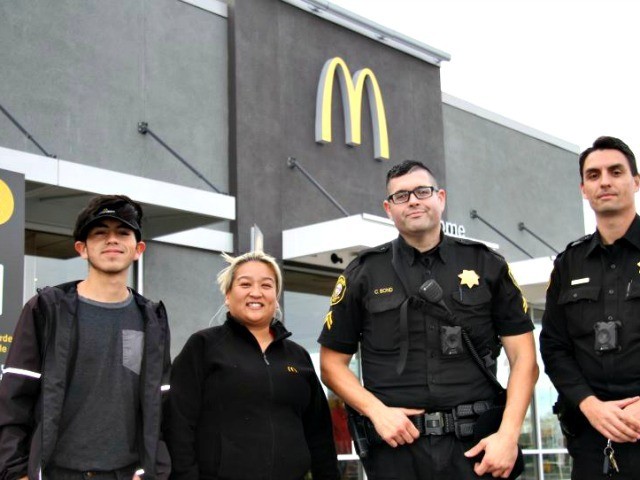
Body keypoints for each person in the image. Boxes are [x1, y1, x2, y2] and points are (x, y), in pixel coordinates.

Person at [318, 160, 538, 479]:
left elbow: (525, 360)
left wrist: (508, 436)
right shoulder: (363, 273)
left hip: (477, 449)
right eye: (401, 196)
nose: (413, 200)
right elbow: (331, 365)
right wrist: (376, 412)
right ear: (388, 208)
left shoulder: (487, 265)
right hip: (396, 451)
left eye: (423, 191)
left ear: (441, 198)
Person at [0, 194, 171, 480]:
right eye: (100, 233)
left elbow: (161, 403)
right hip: (57, 472)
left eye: (123, 232)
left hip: (125, 474)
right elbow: (13, 398)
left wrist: (153, 470)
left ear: (138, 248)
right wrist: (16, 473)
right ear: (82, 249)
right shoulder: (46, 309)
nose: (112, 240)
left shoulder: (151, 319)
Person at [165, 251, 339, 480]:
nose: (255, 292)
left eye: (266, 285)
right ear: (228, 295)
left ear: (276, 297)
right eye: (244, 284)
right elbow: (177, 423)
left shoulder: (298, 357)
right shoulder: (203, 347)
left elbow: (320, 435)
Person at [540, 136, 640, 479]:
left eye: (616, 171)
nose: (605, 181)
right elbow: (554, 346)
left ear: (636, 181)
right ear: (584, 188)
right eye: (594, 175)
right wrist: (588, 404)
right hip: (591, 439)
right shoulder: (569, 263)